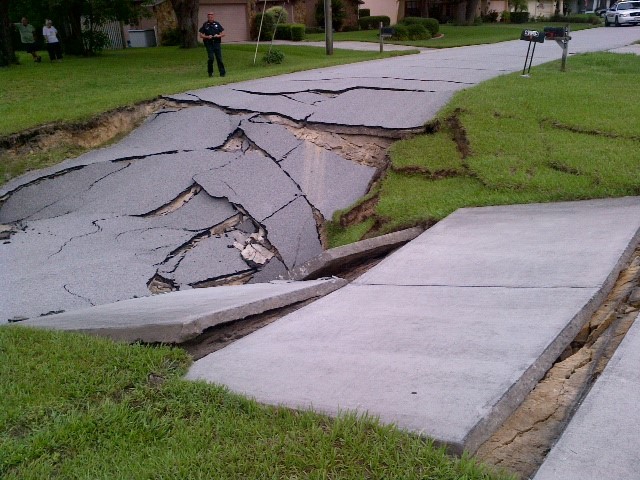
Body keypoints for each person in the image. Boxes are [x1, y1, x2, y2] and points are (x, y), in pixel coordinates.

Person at [198, 12, 226, 78]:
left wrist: (218, 35)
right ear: (207, 17)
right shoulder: (205, 25)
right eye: (209, 17)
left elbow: (223, 33)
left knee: (219, 58)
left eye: (211, 17)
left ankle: (222, 73)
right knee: (211, 58)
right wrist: (207, 37)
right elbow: (201, 35)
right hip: (209, 43)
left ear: (213, 17)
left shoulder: (217, 24)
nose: (210, 18)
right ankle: (210, 73)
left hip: (216, 43)